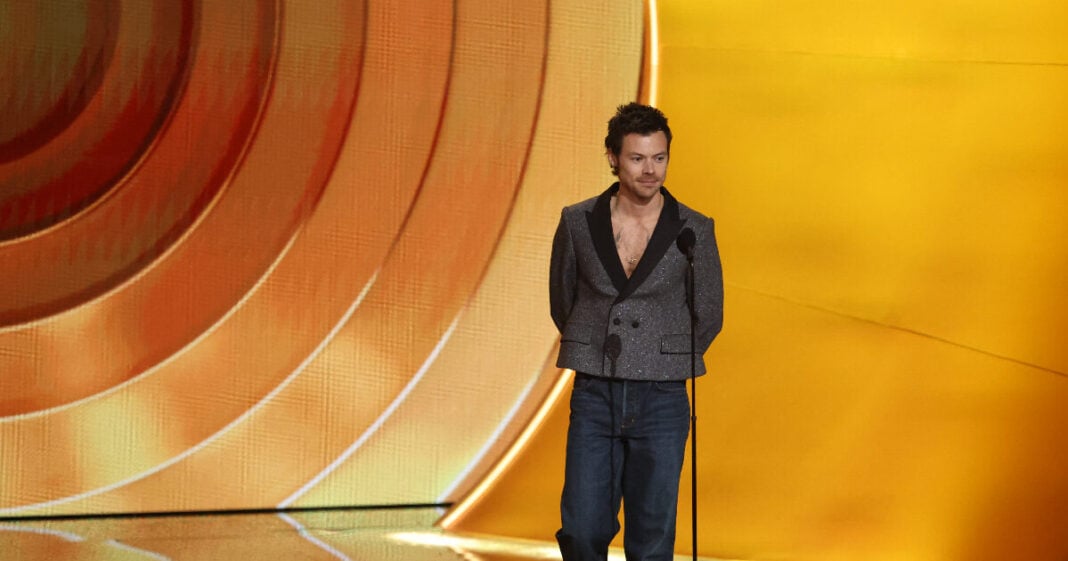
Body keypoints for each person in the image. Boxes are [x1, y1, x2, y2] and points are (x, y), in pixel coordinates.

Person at [549, 102, 724, 561]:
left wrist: (659, 355)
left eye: (659, 158)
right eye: (638, 158)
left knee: (651, 541)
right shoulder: (577, 222)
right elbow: (563, 300)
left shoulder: (693, 229)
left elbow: (708, 313)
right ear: (613, 157)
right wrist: (595, 348)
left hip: (662, 397)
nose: (651, 171)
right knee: (582, 530)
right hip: (596, 392)